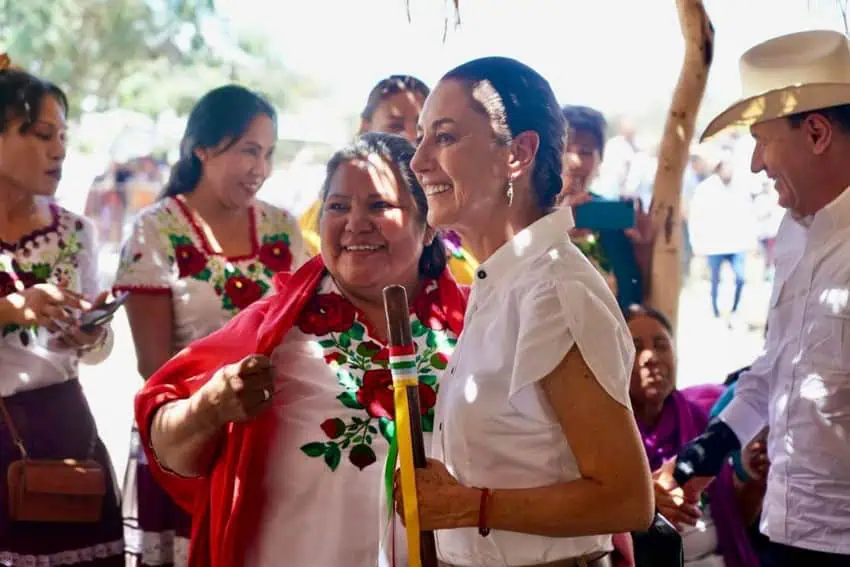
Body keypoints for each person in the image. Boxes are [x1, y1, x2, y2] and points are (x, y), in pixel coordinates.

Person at [132, 132, 468, 567]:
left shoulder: (472, 325)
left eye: (380, 205)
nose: (355, 222)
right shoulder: (273, 331)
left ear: (428, 227)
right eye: (339, 206)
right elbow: (165, 443)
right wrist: (209, 409)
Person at [403, 56, 653, 567]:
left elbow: (626, 497)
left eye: (445, 137)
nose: (418, 161)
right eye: (422, 137)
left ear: (517, 153)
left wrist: (468, 507)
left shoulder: (553, 290)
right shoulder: (504, 280)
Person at [673, 29, 850, 566]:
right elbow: (779, 362)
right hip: (789, 527)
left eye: (763, 139)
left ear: (816, 131)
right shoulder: (796, 230)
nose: (755, 163)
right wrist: (713, 447)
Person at [113, 85, 307, 567]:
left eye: (267, 154)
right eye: (247, 150)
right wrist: (212, 408)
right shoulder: (155, 230)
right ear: (202, 147)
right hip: (186, 442)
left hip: (268, 444)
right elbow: (152, 365)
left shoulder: (283, 228)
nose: (260, 169)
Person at [0, 59, 123, 565]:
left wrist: (89, 336)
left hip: (65, 432)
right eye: (40, 134)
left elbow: (98, 353)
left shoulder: (77, 232)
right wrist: (15, 310)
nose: (59, 150)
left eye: (62, 137)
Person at [298, 74, 479, 284]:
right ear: (365, 127)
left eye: (422, 133)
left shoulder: (456, 217)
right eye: (396, 127)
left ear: (428, 229)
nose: (412, 140)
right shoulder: (315, 224)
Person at [624, 305, 762, 567]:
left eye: (661, 344)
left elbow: (733, 522)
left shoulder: (701, 422)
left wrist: (755, 483)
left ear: (676, 357)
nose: (650, 356)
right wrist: (643, 511)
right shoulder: (609, 436)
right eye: (635, 346)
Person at [559, 105, 652, 309]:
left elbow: (634, 296)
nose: (574, 161)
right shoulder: (524, 218)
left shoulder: (613, 221)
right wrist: (557, 227)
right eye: (564, 149)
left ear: (599, 161)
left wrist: (643, 248)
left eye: (585, 152)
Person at [687, 151, 757, 326]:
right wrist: (697, 242)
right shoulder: (705, 189)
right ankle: (716, 312)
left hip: (737, 242)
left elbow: (749, 213)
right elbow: (696, 216)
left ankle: (734, 310)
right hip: (714, 243)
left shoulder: (741, 187)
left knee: (740, 278)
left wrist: (751, 239)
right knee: (715, 280)